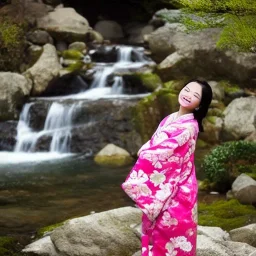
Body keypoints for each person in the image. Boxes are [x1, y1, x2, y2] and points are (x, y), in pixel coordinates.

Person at [122, 80, 213, 256]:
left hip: (178, 188)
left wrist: (144, 153)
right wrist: (148, 148)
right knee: (159, 231)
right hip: (171, 181)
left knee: (171, 231)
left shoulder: (188, 127)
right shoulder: (171, 118)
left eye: (195, 95)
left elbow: (165, 153)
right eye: (186, 90)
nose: (187, 95)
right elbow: (156, 142)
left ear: (200, 104)